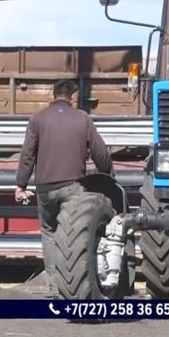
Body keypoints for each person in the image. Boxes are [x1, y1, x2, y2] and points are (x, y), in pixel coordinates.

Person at [14, 80, 113, 296]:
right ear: (73, 97)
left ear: (54, 95)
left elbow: (27, 154)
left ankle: (54, 286)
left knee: (49, 233)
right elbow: (100, 152)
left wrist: (21, 184)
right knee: (76, 234)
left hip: (45, 189)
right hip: (74, 187)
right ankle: (77, 283)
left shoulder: (37, 119)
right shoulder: (83, 119)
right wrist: (107, 175)